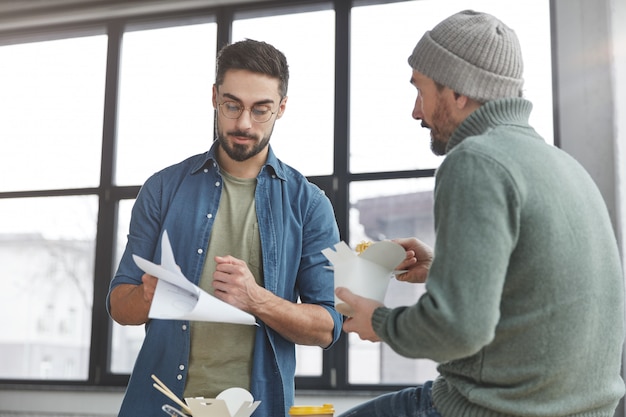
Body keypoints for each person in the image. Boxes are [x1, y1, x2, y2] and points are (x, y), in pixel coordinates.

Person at [336, 10, 625, 417]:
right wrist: (443, 270)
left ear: (458, 92)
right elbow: (542, 295)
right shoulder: (565, 166)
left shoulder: (477, 161)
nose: (415, 111)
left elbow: (458, 330)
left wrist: (378, 321)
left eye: (421, 91)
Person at [107, 39, 343, 417]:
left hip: (259, 409)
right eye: (231, 105)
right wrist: (148, 295)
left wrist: (256, 299)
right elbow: (120, 305)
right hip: (160, 405)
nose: (244, 123)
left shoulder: (309, 204)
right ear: (214, 97)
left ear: (282, 108)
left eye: (261, 109)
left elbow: (327, 327)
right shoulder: (162, 189)